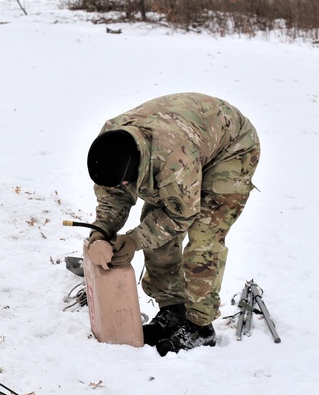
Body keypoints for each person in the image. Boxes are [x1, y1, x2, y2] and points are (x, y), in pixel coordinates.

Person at [83, 93, 260, 356]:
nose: (124, 188)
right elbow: (114, 196)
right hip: (189, 140)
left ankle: (200, 327)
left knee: (204, 237)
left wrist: (133, 240)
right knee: (154, 225)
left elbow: (180, 216)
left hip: (231, 149)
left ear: (137, 168)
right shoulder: (110, 143)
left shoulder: (173, 160)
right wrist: (101, 231)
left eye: (126, 183)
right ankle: (173, 309)